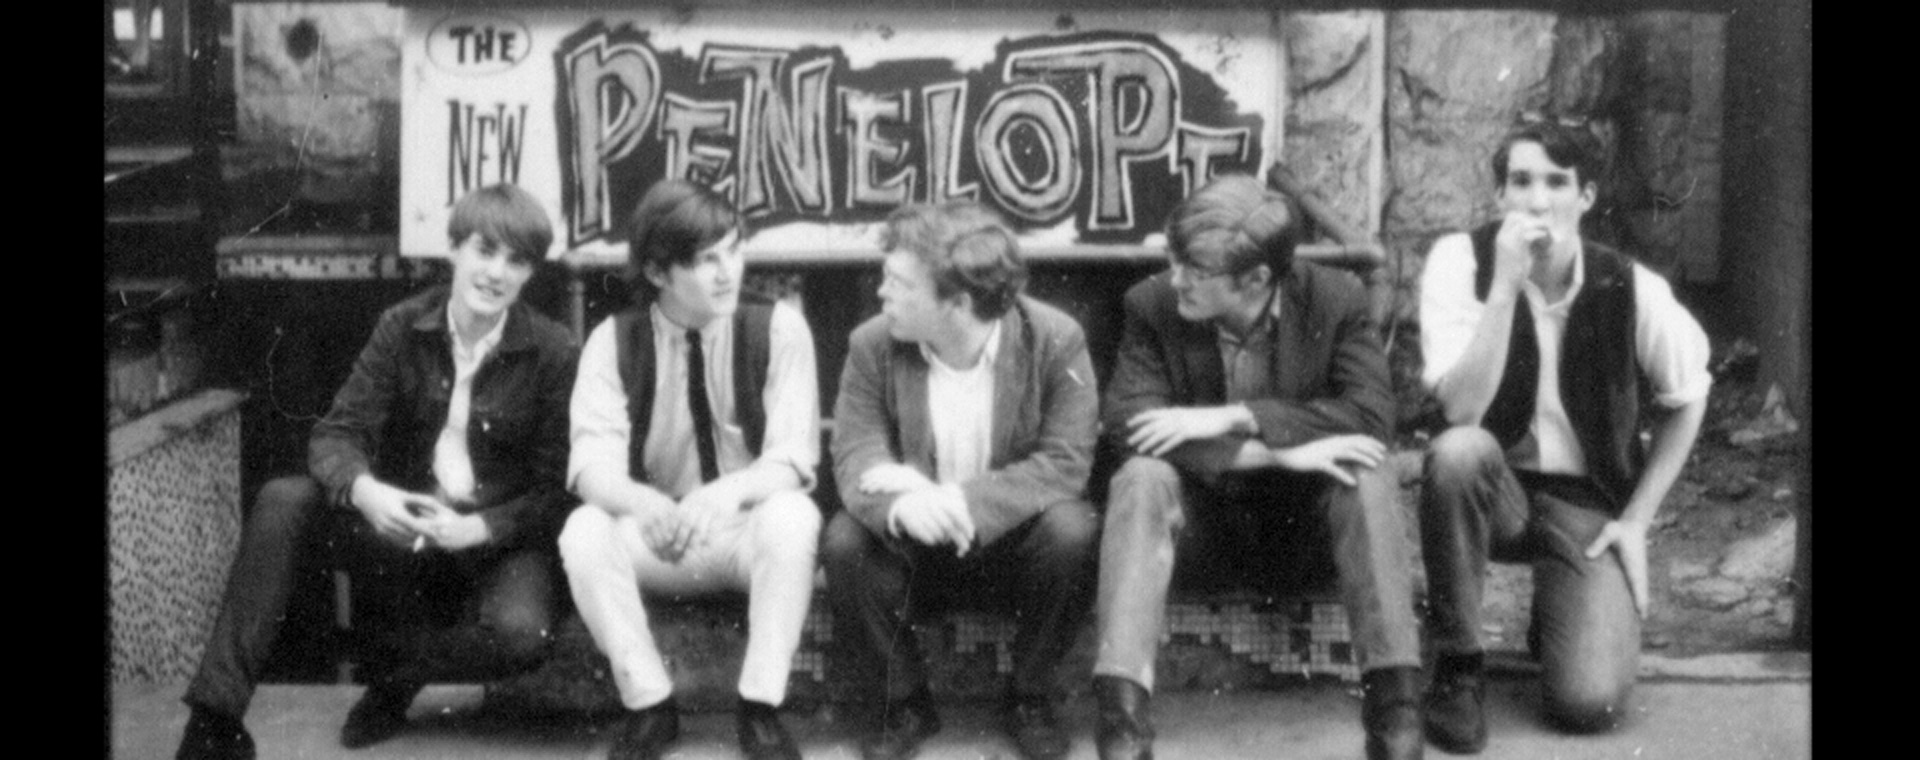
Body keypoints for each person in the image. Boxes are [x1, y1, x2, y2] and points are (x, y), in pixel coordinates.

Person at [175, 184, 577, 759]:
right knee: (285, 499)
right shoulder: (403, 327)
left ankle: (395, 681)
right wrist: (367, 492)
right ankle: (214, 720)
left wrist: (482, 527)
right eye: (484, 251)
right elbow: (337, 433)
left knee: (522, 633)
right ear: (454, 250)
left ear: (530, 273)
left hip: (494, 541)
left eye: (517, 260)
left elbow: (557, 488)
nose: (496, 272)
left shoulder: (554, 350)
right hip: (403, 528)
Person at [1093, 174, 1426, 760]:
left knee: (1367, 471)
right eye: (1176, 262)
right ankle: (1122, 716)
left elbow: (1371, 418)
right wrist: (1280, 448)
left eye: (1194, 272)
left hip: (1303, 526)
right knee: (1141, 477)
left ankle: (1395, 706)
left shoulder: (1335, 298)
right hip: (1201, 524)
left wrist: (1235, 416)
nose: (1176, 281)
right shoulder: (1152, 304)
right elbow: (1127, 425)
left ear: (1257, 279)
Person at [1416, 119, 1711, 749]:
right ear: (1500, 196)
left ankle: (1559, 612)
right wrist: (1504, 287)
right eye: (1521, 181)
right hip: (1496, 491)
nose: (1537, 199)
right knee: (1457, 453)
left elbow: (1689, 396)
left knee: (1589, 703)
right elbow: (1462, 412)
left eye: (1557, 182)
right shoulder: (1459, 262)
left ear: (1586, 196)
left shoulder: (1632, 285)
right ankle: (1459, 664)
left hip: (1587, 503)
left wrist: (1637, 521)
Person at [822, 202, 1100, 760]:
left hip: (1007, 544)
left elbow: (1065, 461)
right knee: (845, 540)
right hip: (915, 547)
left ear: (959, 303)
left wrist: (955, 499)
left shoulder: (1054, 339)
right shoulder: (873, 343)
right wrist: (904, 505)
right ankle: (902, 703)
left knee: (1074, 530)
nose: (882, 294)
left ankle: (1030, 696)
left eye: (899, 284)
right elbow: (855, 450)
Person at [557, 179, 821, 760]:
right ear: (657, 272)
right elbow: (590, 468)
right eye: (705, 261)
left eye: (733, 249)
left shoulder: (777, 327)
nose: (728, 272)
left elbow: (795, 457)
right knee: (583, 531)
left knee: (795, 516)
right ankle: (650, 704)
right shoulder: (614, 341)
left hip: (742, 535)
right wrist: (644, 504)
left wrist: (729, 494)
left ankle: (760, 708)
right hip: (660, 535)